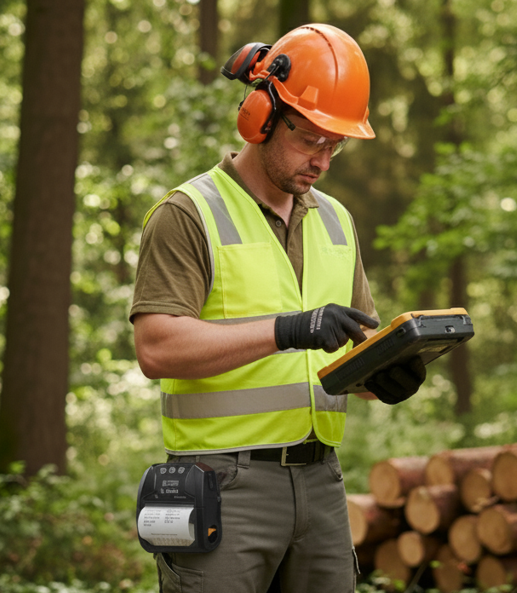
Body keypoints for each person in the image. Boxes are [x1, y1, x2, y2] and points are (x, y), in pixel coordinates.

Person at [130, 23, 426, 593]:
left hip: (322, 482)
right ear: (260, 117)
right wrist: (287, 330)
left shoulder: (338, 222)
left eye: (334, 144)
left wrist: (385, 374)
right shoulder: (189, 213)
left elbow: (348, 347)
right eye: (310, 138)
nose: (323, 159)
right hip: (223, 484)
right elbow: (156, 347)